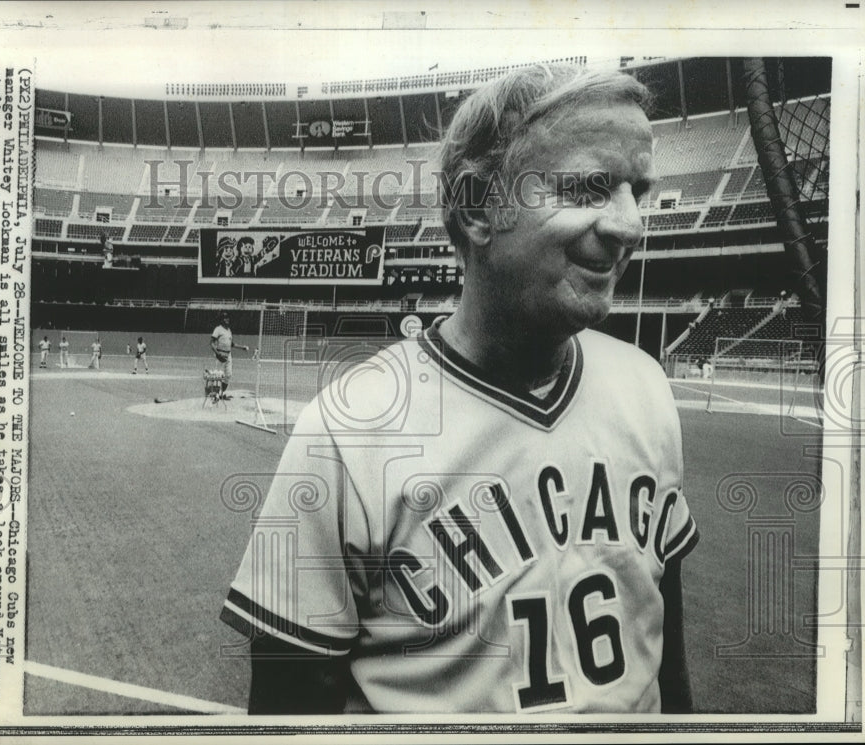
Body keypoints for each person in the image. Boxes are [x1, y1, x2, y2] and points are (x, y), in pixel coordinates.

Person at [221, 64, 698, 715]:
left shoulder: (646, 387)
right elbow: (289, 711)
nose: (630, 225)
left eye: (636, 191)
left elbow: (665, 651)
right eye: (588, 188)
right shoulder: (347, 430)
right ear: (477, 209)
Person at [209, 313, 248, 398]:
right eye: (225, 318)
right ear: (221, 320)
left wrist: (242, 347)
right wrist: (217, 353)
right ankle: (215, 394)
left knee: (228, 375)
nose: (227, 319)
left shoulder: (229, 330)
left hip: (228, 355)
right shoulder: (218, 329)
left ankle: (221, 393)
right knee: (218, 375)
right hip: (220, 353)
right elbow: (211, 343)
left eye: (228, 318)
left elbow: (231, 344)